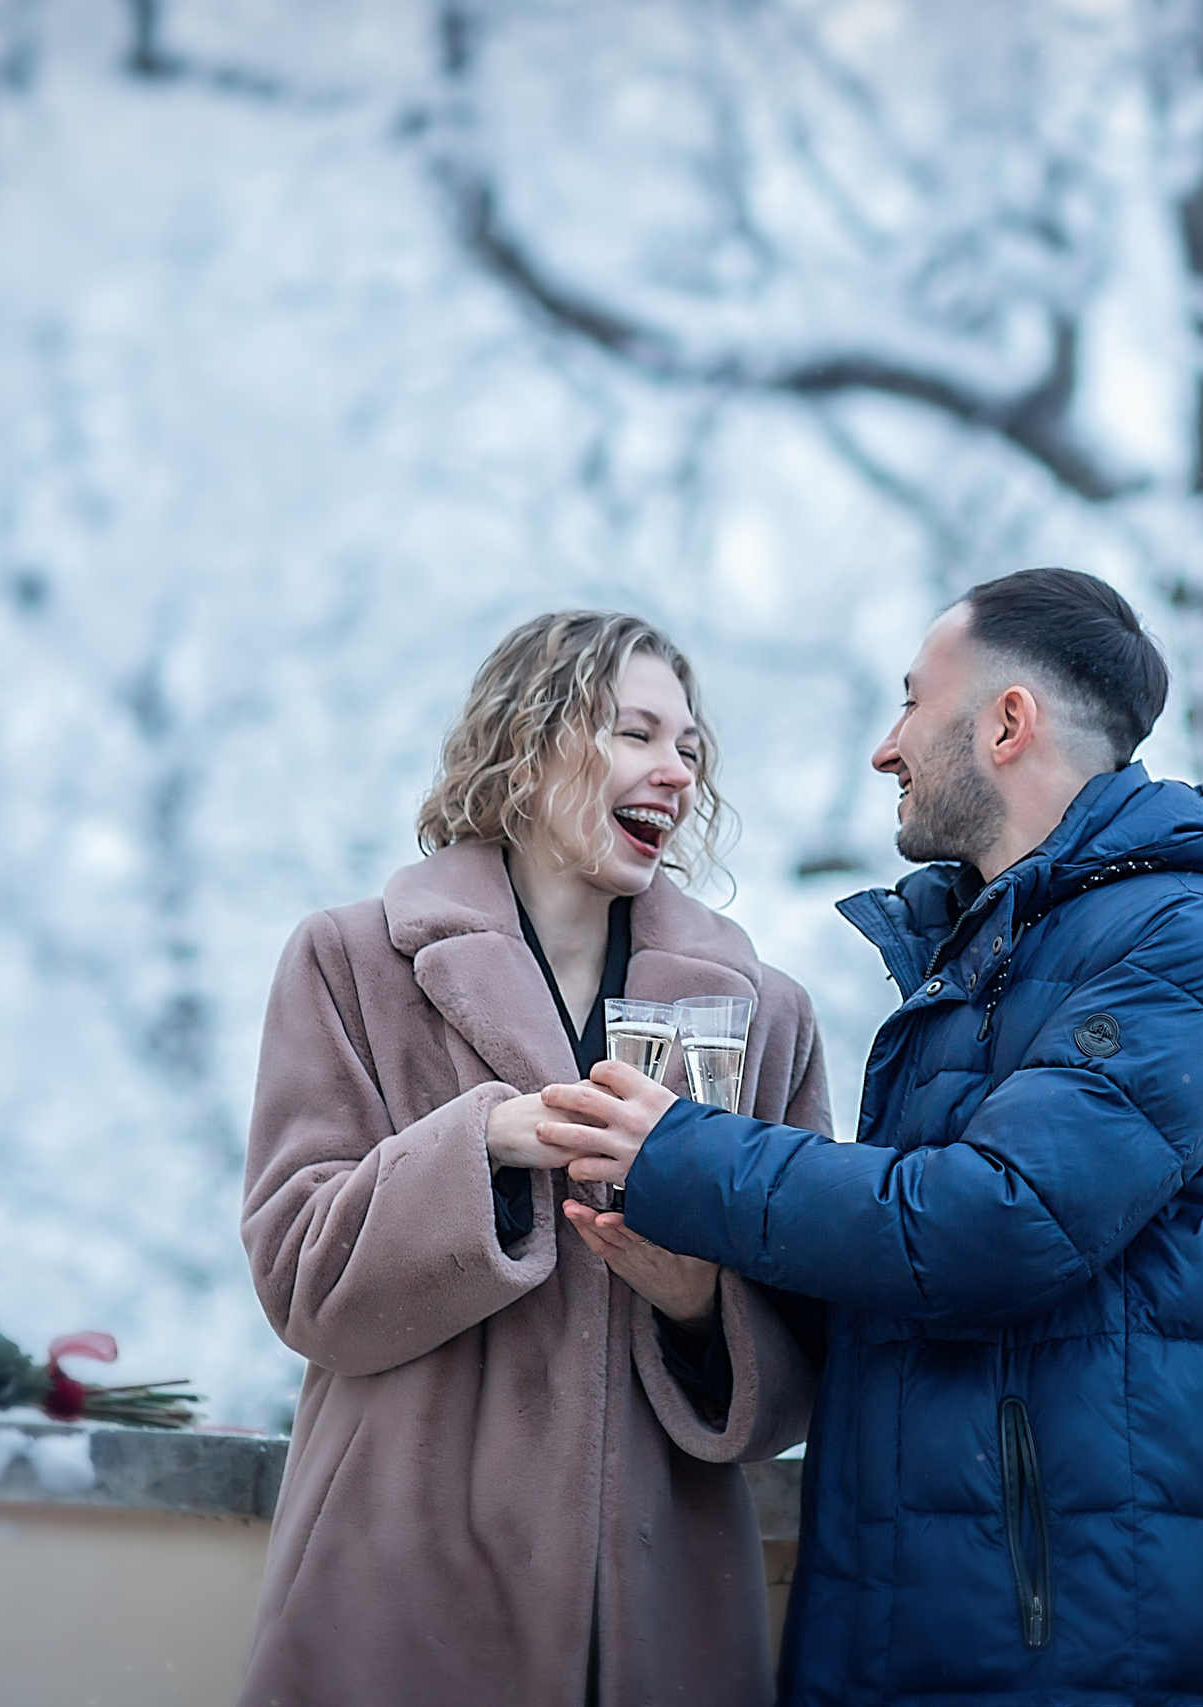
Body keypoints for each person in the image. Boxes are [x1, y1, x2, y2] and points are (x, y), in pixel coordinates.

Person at [540, 569, 1203, 1706]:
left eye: (911, 704)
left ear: (1007, 723)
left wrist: (683, 1155)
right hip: (903, 1626)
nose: (885, 748)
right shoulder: (979, 954)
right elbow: (905, 1281)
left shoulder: (1183, 940)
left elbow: (990, 1226)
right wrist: (702, 1290)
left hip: (1071, 1648)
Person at [236, 611, 830, 1707]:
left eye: (690, 748)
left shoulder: (768, 1018)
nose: (675, 772)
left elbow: (804, 1360)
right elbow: (299, 1277)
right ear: (529, 737)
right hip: (398, 1591)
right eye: (634, 733)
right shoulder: (348, 964)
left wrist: (700, 1304)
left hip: (656, 1611)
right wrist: (484, 1144)